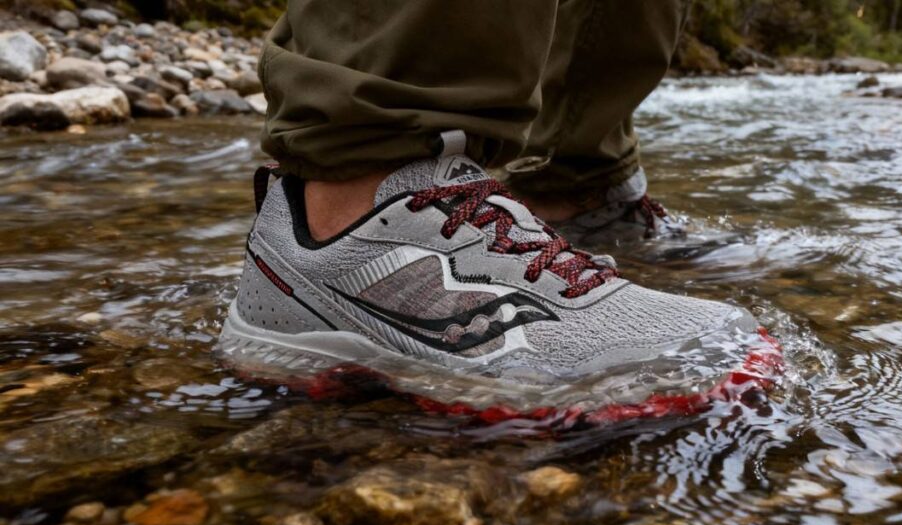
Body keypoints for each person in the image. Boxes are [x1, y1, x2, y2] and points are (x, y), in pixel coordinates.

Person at [217, 0, 758, 409]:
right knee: (378, 140)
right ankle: (360, 187)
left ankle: (571, 184)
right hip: (360, 169)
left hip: (575, 161)